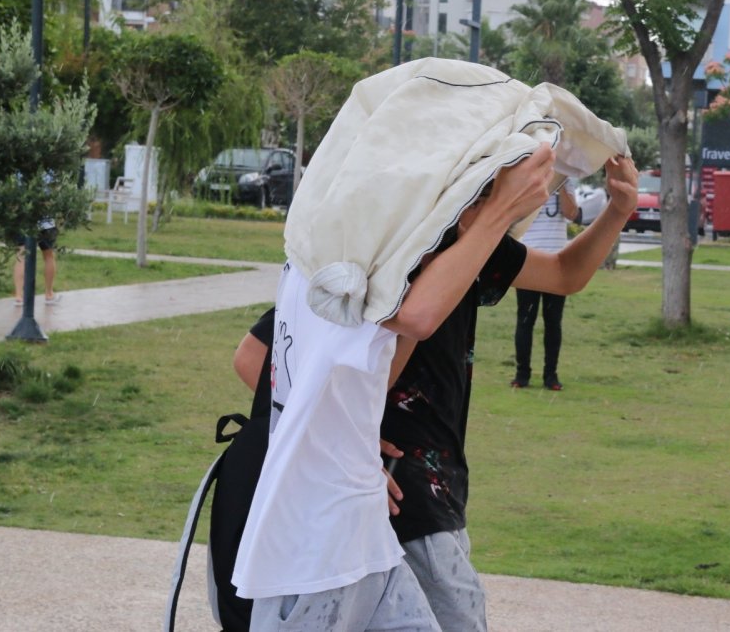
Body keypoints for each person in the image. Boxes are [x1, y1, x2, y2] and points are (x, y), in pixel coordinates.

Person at [231, 153, 638, 632]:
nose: (489, 204)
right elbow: (255, 356)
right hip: (399, 489)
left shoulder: (469, 244)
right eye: (482, 191)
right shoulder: (385, 254)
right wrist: (340, 442)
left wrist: (617, 209)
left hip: (431, 484)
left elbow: (565, 275)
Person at [510, 185, 579, 391]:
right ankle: (522, 374)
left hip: (556, 261)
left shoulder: (567, 178)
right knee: (525, 320)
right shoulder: (532, 178)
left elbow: (571, 214)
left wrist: (562, 185)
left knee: (553, 321)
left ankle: (551, 375)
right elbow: (517, 215)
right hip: (528, 259)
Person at [13, 217, 59, 306]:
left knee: (21, 255)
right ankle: (49, 294)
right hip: (46, 222)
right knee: (49, 256)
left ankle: (19, 296)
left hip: (23, 221)